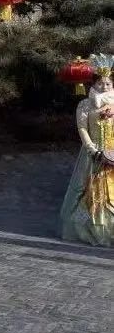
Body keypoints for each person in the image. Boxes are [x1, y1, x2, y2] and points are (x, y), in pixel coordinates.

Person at [60, 61, 114, 246]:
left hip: (112, 151)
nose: (104, 86)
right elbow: (82, 128)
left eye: (108, 83)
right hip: (93, 153)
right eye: (100, 83)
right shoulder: (85, 105)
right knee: (89, 189)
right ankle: (91, 228)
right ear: (94, 84)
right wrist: (92, 149)